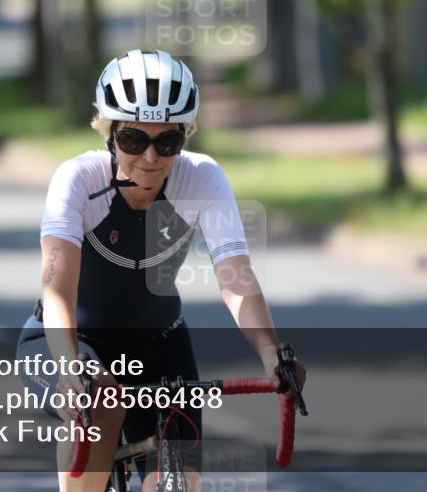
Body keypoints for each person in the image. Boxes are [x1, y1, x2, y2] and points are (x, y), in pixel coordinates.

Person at [16, 49, 307, 492]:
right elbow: (57, 287)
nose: (150, 157)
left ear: (185, 136)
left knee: (180, 481)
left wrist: (270, 353)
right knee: (101, 403)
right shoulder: (77, 180)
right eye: (134, 139)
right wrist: (68, 363)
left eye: (167, 142)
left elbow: (234, 276)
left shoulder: (202, 178)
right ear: (108, 132)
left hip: (161, 344)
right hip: (72, 340)